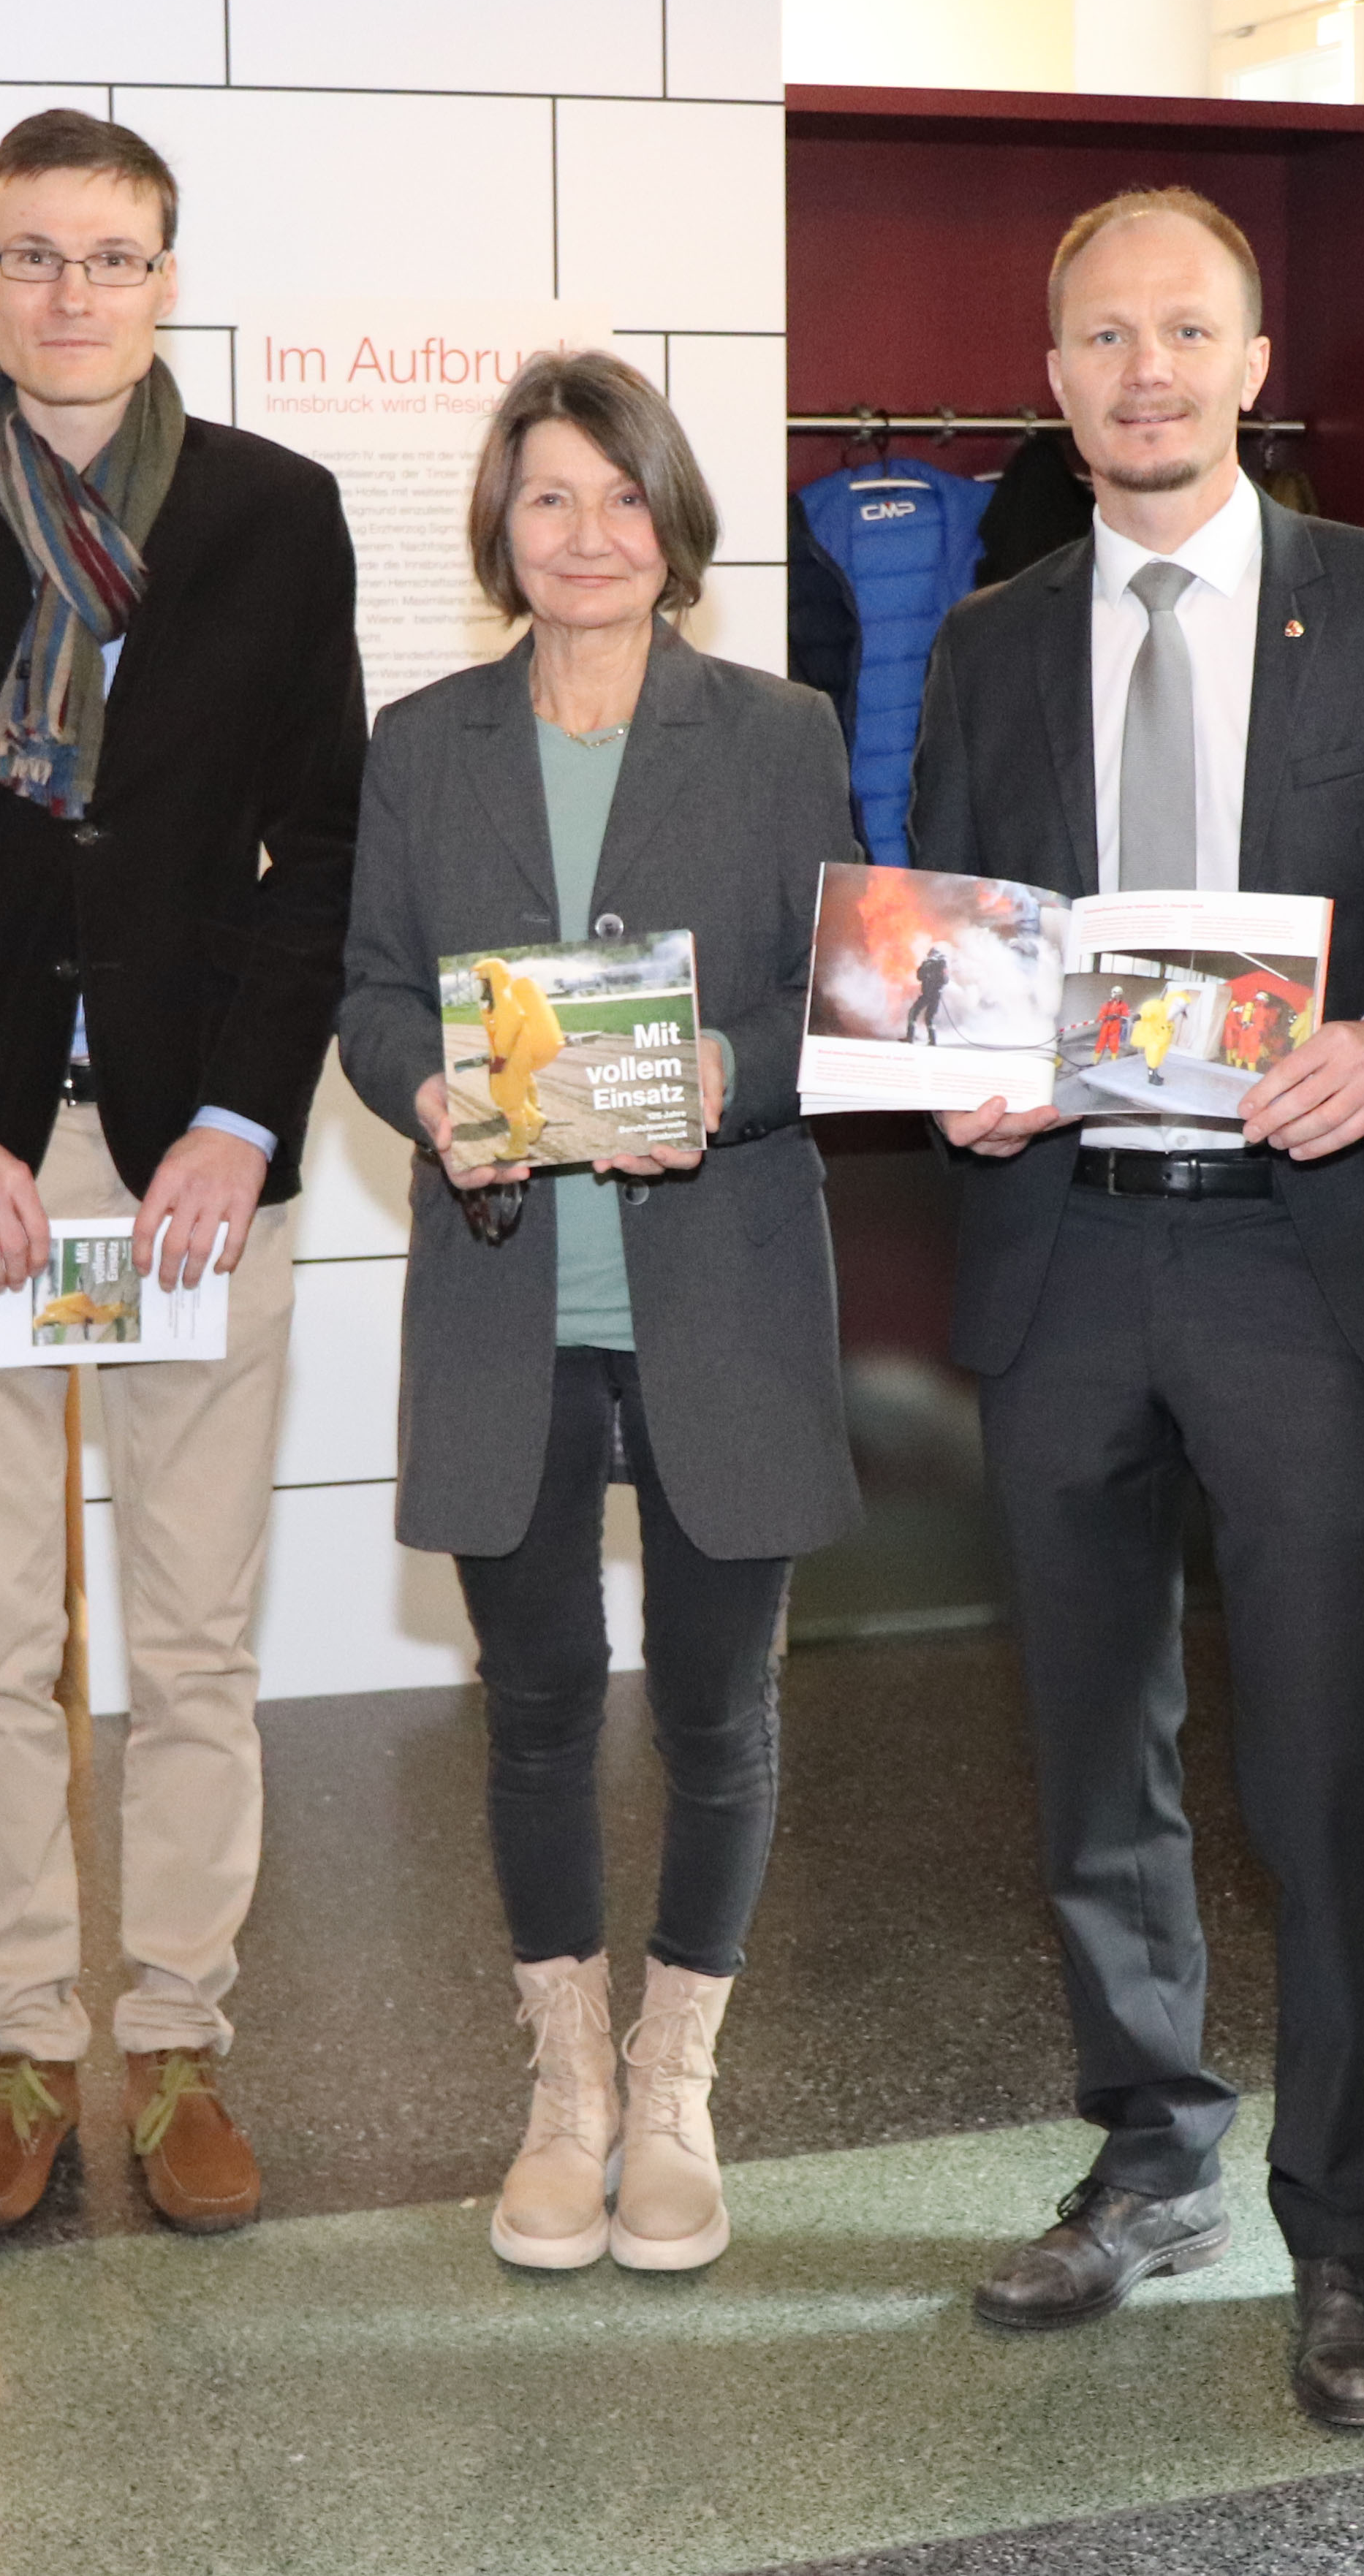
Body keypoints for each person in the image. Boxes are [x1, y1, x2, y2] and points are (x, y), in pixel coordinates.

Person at [907, 189, 1364, 2427]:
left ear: (1257, 356)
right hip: (1066, 1259)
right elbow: (950, 952)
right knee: (1095, 1745)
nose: (1147, 371)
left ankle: (1345, 2225)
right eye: (1103, 335)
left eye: (1186, 329)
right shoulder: (990, 639)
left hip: (1300, 1268)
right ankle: (1152, 2143)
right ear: (1058, 371)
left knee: (1325, 1762)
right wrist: (963, 1075)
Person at [0, 108, 364, 2238]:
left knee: (195, 1639)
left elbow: (328, 845)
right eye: (32, 256)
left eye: (110, 258)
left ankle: (181, 2038)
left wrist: (241, 1116)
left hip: (202, 1158)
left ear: (168, 274)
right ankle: (26, 2043)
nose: (71, 294)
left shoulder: (280, 517)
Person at [338, 351, 863, 2273]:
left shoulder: (781, 731)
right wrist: (426, 1097)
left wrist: (732, 1066)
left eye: (621, 497)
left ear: (675, 525)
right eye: (550, 497)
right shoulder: (423, 741)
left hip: (717, 1278)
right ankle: (564, 2090)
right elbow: (376, 989)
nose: (587, 534)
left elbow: (845, 998)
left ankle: (676, 2092)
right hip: (507, 1295)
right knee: (542, 1709)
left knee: (724, 1711)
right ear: (502, 526)